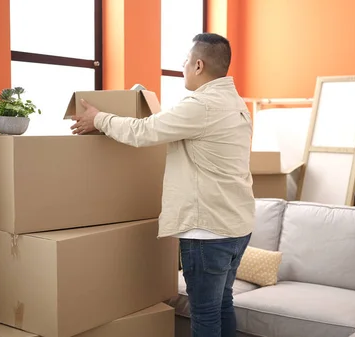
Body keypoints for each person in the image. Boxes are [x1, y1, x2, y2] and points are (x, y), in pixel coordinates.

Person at [70, 32, 255, 337]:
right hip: (237, 225)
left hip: (207, 229)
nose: (181, 66)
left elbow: (144, 133)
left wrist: (98, 118)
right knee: (223, 304)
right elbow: (181, 126)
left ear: (198, 65)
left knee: (206, 313)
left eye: (184, 60)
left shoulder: (202, 105)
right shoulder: (231, 100)